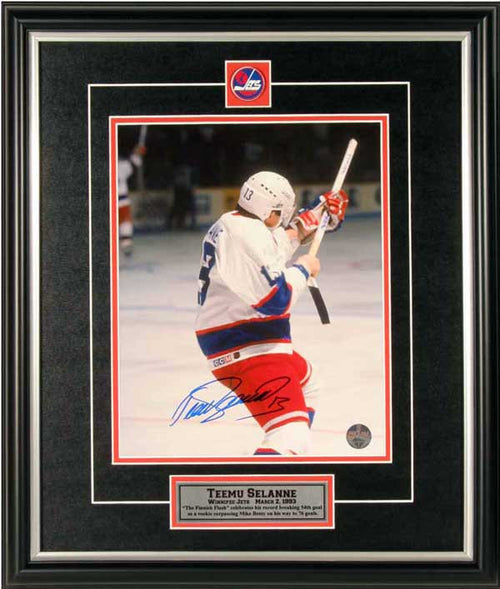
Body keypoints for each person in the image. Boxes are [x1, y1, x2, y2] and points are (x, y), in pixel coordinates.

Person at [195, 171, 349, 455]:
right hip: (245, 346)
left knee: (308, 384)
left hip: (246, 338)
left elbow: (278, 244)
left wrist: (319, 216)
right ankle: (264, 481)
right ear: (267, 211)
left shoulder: (237, 223)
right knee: (290, 437)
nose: (282, 219)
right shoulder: (245, 235)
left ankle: (285, 457)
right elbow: (275, 300)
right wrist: (303, 269)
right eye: (279, 213)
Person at [117, 145, 145, 255]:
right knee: (125, 220)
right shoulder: (120, 164)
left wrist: (136, 153)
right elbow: (134, 163)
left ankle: (126, 242)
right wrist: (137, 153)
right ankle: (126, 242)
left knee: (123, 221)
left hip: (115, 199)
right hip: (121, 198)